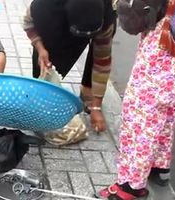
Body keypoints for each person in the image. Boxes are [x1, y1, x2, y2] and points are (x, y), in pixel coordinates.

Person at [95, 0, 175, 200]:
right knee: (164, 103)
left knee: (142, 108)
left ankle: (132, 184)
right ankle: (158, 165)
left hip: (168, 32)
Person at [22, 0, 117, 133]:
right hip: (58, 18)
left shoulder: (106, 17)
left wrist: (96, 107)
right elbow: (28, 24)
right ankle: (41, 94)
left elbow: (102, 61)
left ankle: (87, 90)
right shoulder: (44, 6)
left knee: (98, 46)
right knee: (45, 61)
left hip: (98, 16)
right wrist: (40, 48)